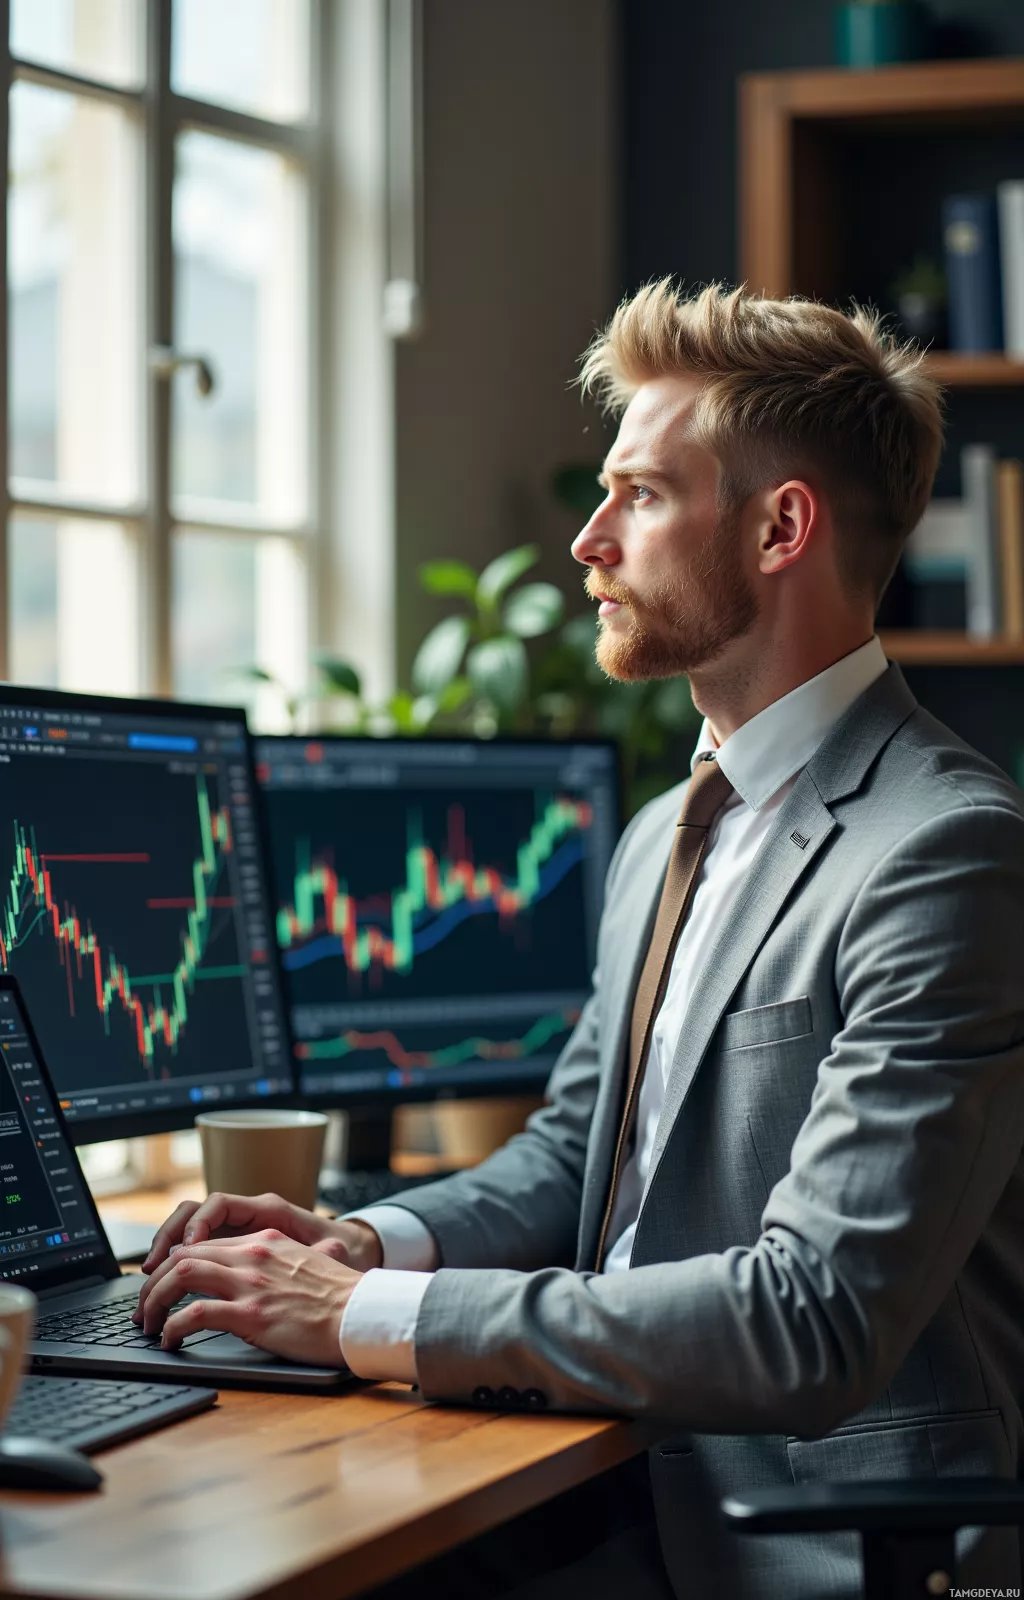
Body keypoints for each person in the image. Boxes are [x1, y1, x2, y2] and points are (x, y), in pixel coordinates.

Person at [137, 282, 1024, 1600]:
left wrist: (363, 1323)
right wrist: (364, 1247)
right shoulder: (670, 826)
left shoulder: (946, 852)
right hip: (623, 1481)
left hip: (821, 1545)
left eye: (641, 496)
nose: (587, 543)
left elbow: (815, 1318)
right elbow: (575, 1163)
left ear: (781, 528)